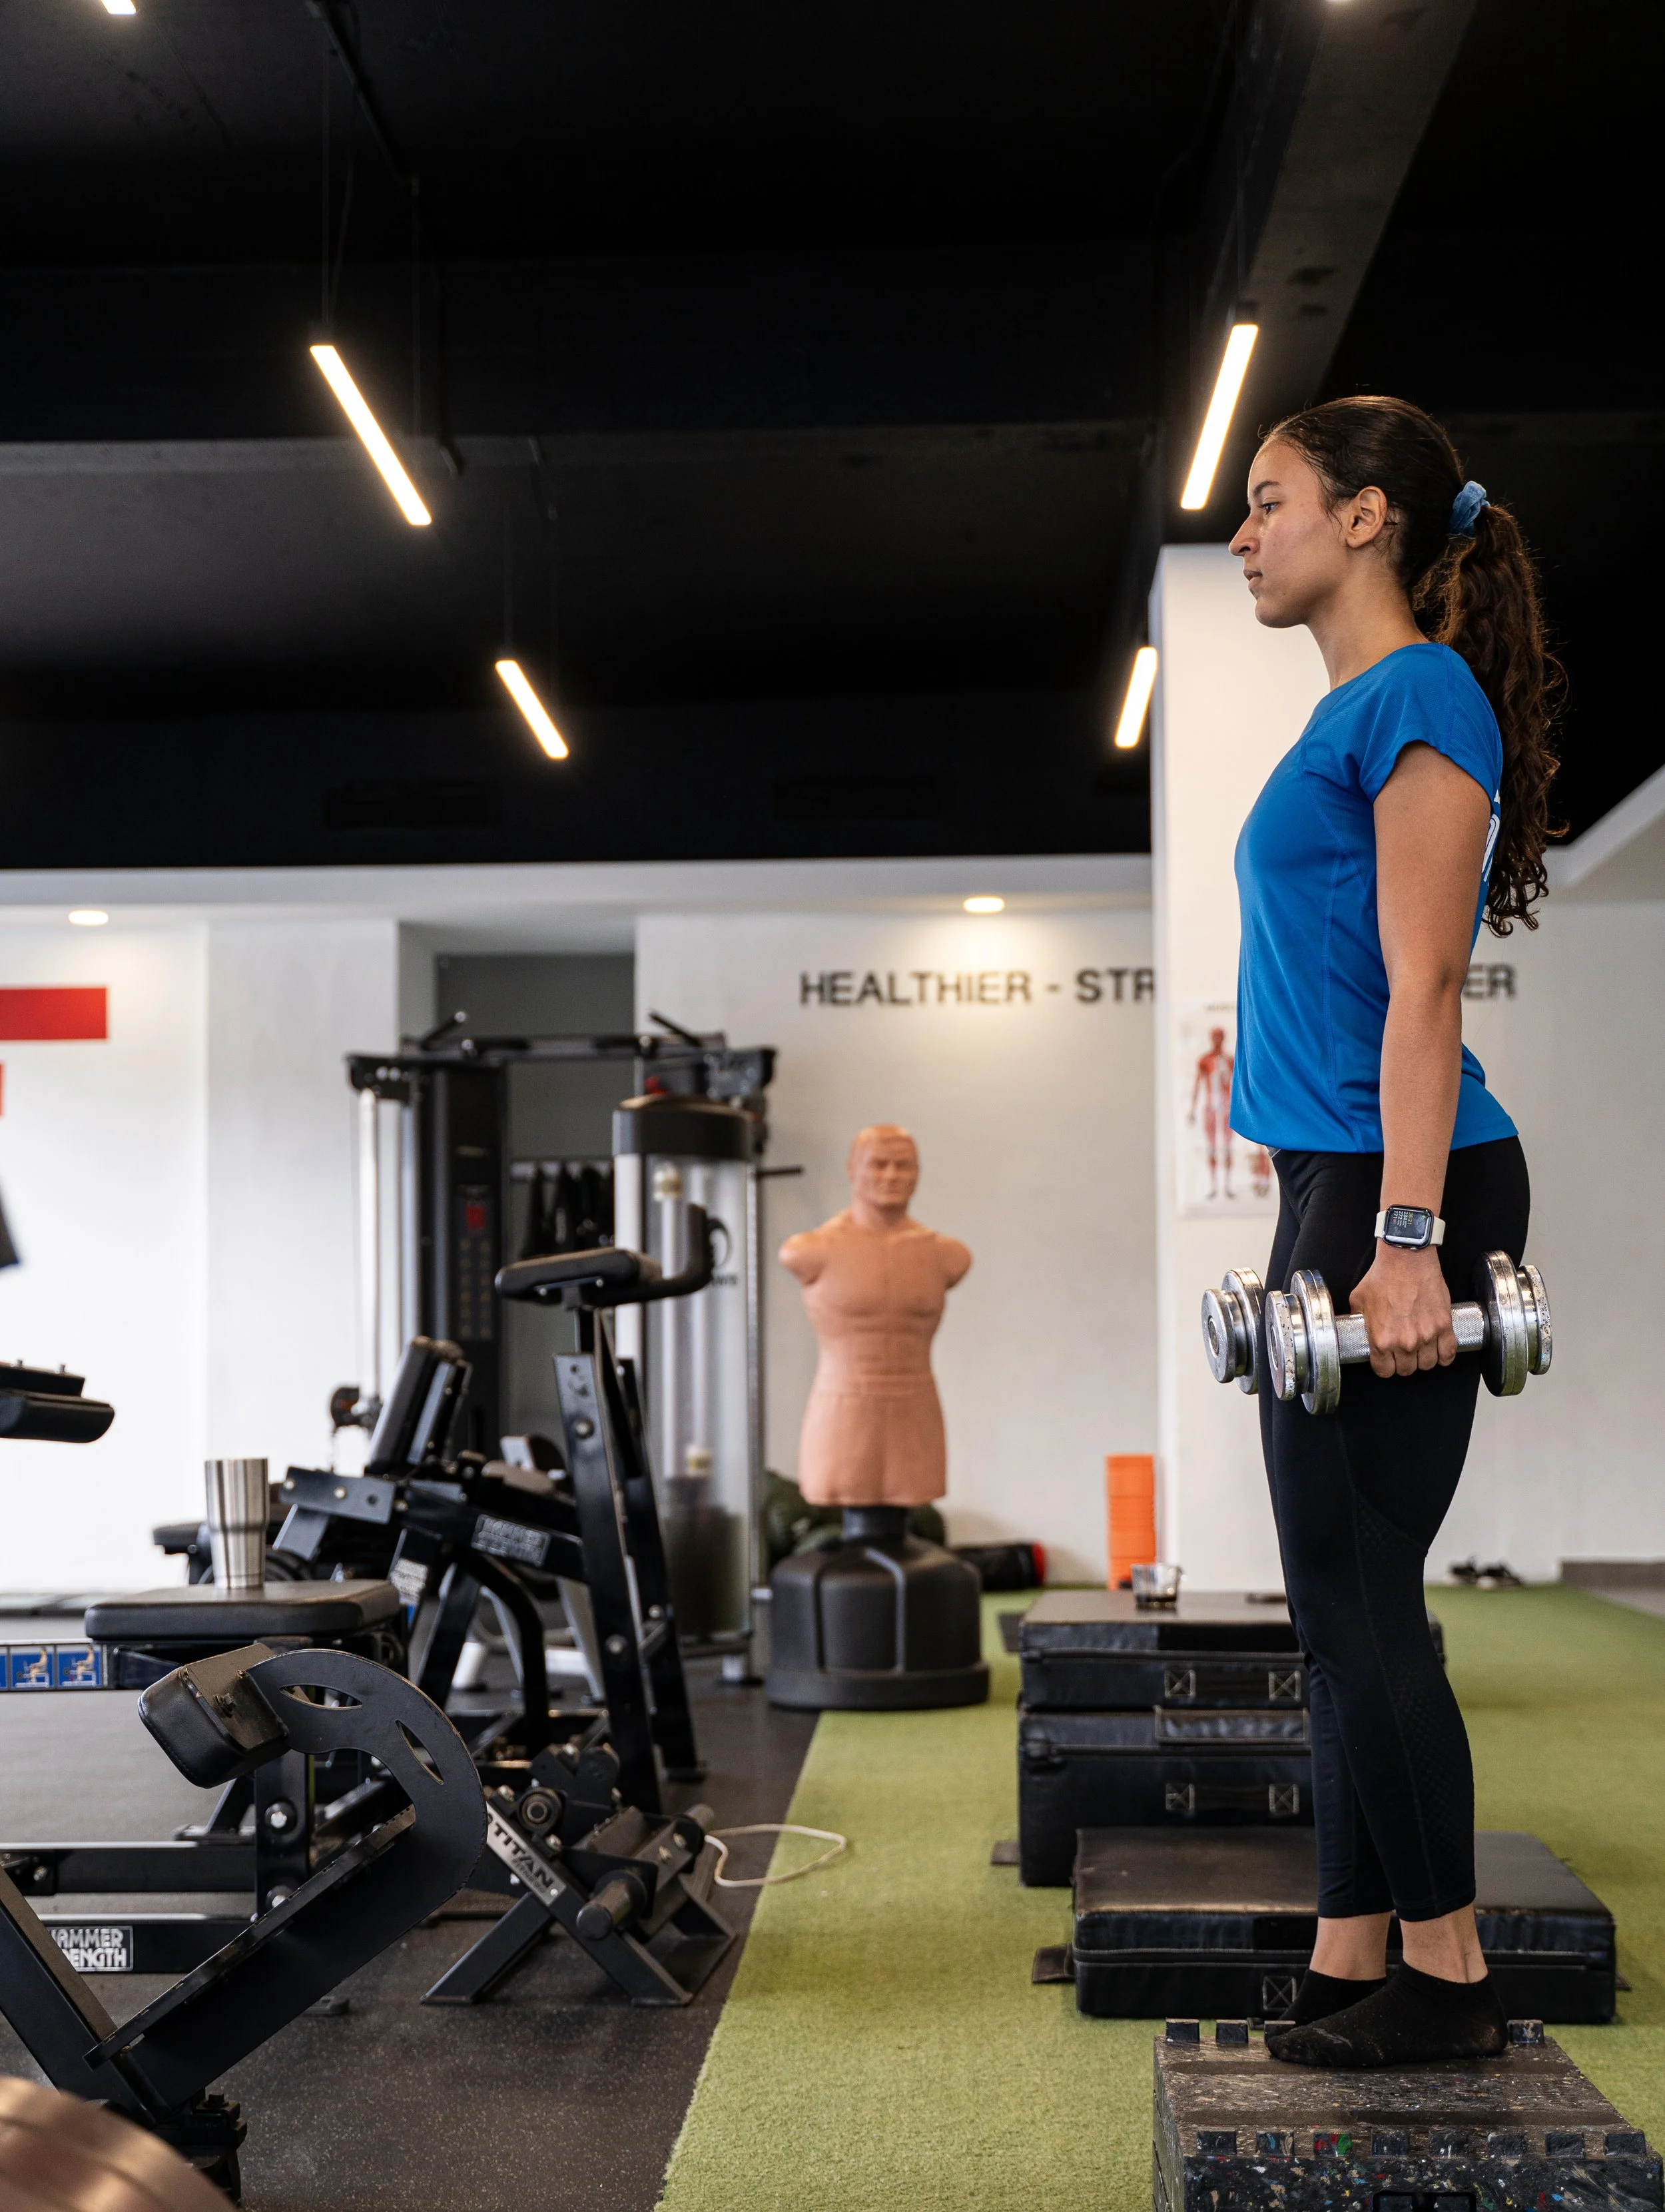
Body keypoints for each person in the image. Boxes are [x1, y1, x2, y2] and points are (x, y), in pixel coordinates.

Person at [1227, 396, 1559, 2069]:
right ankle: (1351, 1944)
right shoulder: (1357, 708)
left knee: (1365, 1600)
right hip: (1332, 1177)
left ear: (1366, 519)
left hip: (1399, 1185)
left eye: (1268, 498)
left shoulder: (1420, 694)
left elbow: (1428, 983)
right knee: (1336, 1604)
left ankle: (1449, 1972)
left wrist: (1410, 1238)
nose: (1243, 531)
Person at [778, 1124, 971, 1507]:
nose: (891, 1176)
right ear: (853, 1169)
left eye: (904, 1166)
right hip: (842, 1406)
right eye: (878, 1164)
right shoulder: (810, 1251)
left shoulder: (946, 1255)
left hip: (916, 1405)